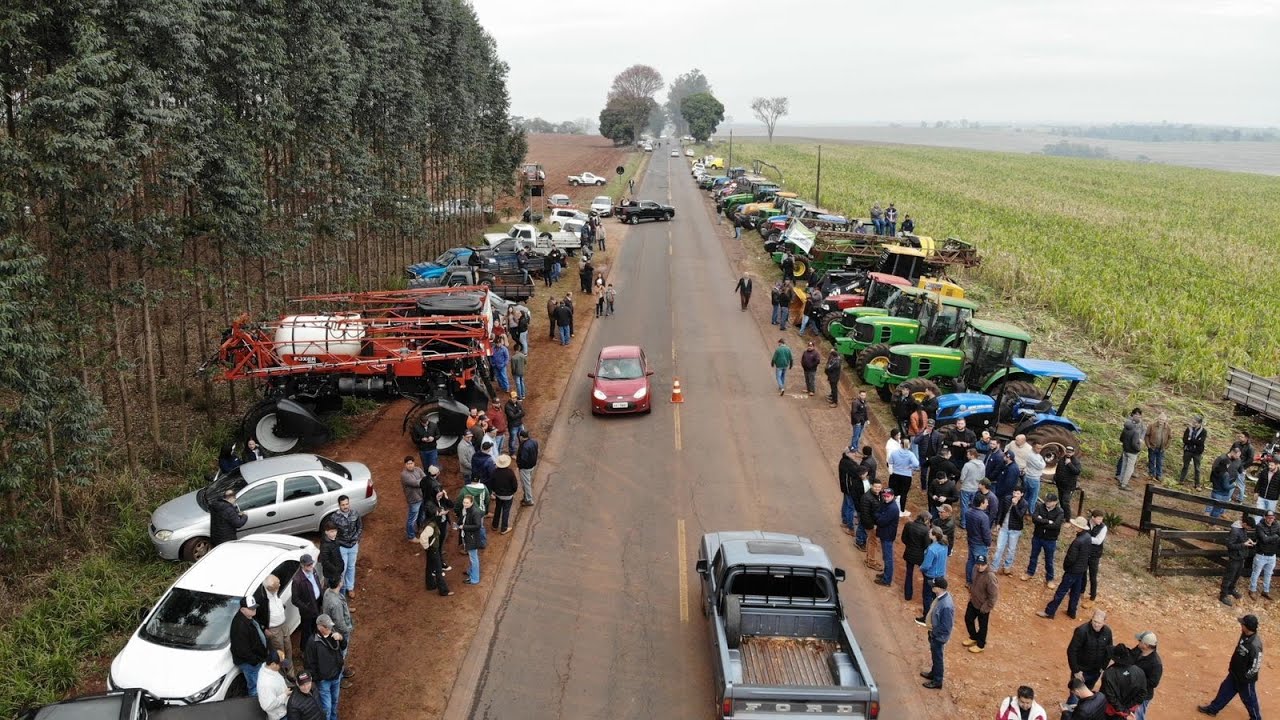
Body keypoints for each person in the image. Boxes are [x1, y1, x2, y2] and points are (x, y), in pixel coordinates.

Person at [1198, 614, 1263, 719]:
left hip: (1245, 680)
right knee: (1224, 690)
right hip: (1234, 674)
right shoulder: (1244, 635)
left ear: (1247, 627)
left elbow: (1256, 665)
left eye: (1243, 624)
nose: (1241, 625)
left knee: (1250, 700)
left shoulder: (1255, 645)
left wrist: (1246, 678)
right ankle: (1213, 709)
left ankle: (1256, 718)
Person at [1037, 516, 1093, 620]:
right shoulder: (1088, 538)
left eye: (1075, 525)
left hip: (1072, 570)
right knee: (1075, 592)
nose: (1073, 526)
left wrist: (1066, 567)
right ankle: (1072, 612)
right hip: (1081, 570)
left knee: (1061, 591)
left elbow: (1071, 558)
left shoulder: (1078, 541)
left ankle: (1050, 612)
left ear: (1079, 527)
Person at [1061, 611, 1114, 708]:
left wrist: (1103, 666)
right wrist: (1076, 670)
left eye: (1099, 622)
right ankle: (1069, 713)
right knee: (1075, 696)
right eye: (1094, 621)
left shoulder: (1107, 632)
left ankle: (1080, 712)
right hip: (1081, 671)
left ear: (1104, 622)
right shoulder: (1082, 631)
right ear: (1091, 619)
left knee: (1087, 695)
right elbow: (1072, 650)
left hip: (1095, 671)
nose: (1096, 624)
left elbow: (1109, 651)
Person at [303, 615, 346, 720]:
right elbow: (309, 664)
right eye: (326, 627)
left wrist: (340, 638)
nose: (329, 629)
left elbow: (343, 646)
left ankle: (334, 718)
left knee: (335, 701)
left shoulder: (333, 634)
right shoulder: (312, 642)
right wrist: (319, 678)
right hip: (324, 681)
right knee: (327, 707)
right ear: (319, 627)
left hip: (336, 676)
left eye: (330, 626)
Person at [230, 595, 269, 697]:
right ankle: (255, 706)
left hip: (256, 659)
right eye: (251, 608)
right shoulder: (240, 626)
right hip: (250, 663)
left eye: (255, 607)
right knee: (254, 687)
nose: (254, 610)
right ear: (242, 609)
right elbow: (242, 650)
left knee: (259, 684)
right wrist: (255, 661)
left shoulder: (249, 617)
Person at [1024, 493, 1065, 584]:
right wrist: (1047, 522)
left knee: (1049, 560)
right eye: (1047, 500)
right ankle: (1030, 572)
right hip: (1037, 537)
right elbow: (1034, 519)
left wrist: (1041, 522)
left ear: (1056, 502)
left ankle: (1050, 579)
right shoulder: (1040, 506)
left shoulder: (1060, 512)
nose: (1047, 503)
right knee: (1033, 556)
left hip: (1050, 539)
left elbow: (1056, 525)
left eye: (1050, 501)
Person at [920, 577, 953, 689]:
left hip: (938, 636)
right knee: (935, 656)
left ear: (938, 588)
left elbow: (946, 626)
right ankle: (933, 674)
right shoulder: (941, 598)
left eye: (933, 586)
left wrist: (934, 633)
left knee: (938, 658)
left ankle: (937, 681)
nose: (932, 587)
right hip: (934, 633)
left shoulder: (946, 605)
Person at [961, 554, 997, 653]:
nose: (980, 567)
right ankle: (973, 637)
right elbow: (973, 583)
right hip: (973, 602)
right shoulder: (975, 569)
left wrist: (986, 607)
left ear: (986, 564)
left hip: (983, 606)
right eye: (978, 564)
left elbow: (993, 596)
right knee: (968, 619)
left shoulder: (990, 577)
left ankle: (981, 645)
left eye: (982, 565)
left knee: (982, 626)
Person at [1100, 643, 1146, 719]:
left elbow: (1109, 696)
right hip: (1128, 712)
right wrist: (1127, 709)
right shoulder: (1139, 671)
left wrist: (1123, 710)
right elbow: (1142, 694)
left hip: (1112, 713)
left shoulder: (1108, 673)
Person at [320, 576, 353, 677]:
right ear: (339, 584)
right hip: (338, 632)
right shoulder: (336, 603)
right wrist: (347, 630)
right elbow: (339, 622)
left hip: (330, 628)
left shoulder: (327, 592)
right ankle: (340, 676)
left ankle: (340, 672)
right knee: (340, 654)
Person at [991, 488, 1029, 576]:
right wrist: (998, 523)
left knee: (1011, 549)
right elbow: (1001, 511)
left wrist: (1015, 505)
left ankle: (1007, 567)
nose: (1015, 494)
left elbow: (1019, 516)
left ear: (1022, 494)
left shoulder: (1024, 504)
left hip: (1015, 530)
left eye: (1018, 493)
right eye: (1014, 492)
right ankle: (994, 567)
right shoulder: (1007, 499)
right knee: (999, 548)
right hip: (1004, 528)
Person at [417, 506, 454, 597]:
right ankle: (443, 590)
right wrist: (427, 547)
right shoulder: (431, 526)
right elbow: (423, 538)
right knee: (438, 569)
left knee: (429, 566)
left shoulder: (427, 522)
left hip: (431, 549)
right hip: (433, 549)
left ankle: (430, 584)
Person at [258, 575, 292, 670]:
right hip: (274, 630)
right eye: (277, 586)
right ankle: (283, 673)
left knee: (288, 648)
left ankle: (290, 671)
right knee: (279, 652)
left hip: (284, 625)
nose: (279, 586)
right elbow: (257, 617)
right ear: (269, 588)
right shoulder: (261, 599)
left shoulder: (275, 592)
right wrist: (264, 628)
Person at [331, 496, 362, 600]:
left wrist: (357, 538)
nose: (345, 506)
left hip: (353, 545)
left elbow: (360, 527)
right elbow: (332, 532)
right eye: (343, 504)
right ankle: (342, 588)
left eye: (346, 504)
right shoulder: (335, 517)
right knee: (342, 569)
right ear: (339, 505)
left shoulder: (355, 513)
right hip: (342, 546)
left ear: (349, 503)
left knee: (351, 567)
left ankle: (350, 587)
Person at [1221, 513, 1255, 606]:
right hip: (1234, 557)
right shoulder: (1235, 531)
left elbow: (1242, 538)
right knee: (1229, 576)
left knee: (1236, 575)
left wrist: (1248, 540)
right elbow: (1230, 545)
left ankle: (1231, 589)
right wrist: (1243, 545)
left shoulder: (1242, 529)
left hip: (1241, 556)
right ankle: (1223, 595)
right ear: (1244, 524)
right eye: (1248, 527)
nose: (1248, 528)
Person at [1248, 509, 1280, 600]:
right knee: (1256, 573)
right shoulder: (1259, 526)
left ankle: (1266, 591)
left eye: (1272, 518)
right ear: (1265, 517)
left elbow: (1267, 539)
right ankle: (1252, 590)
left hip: (1272, 555)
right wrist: (1276, 537)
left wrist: (1269, 538)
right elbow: (1264, 540)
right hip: (1261, 554)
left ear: (1274, 518)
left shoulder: (1277, 525)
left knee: (1269, 574)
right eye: (1269, 517)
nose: (1270, 519)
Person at [291, 554, 323, 645]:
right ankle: (305, 650)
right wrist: (306, 608)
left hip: (316, 604)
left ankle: (314, 645)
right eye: (308, 565)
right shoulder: (297, 580)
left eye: (311, 564)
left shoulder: (314, 571)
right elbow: (295, 599)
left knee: (315, 626)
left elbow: (317, 585)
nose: (311, 566)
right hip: (307, 611)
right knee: (306, 631)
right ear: (302, 565)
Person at [1132, 631, 1163, 720]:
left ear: (1146, 645)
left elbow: (1153, 683)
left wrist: (1137, 680)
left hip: (1142, 697)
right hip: (1132, 691)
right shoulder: (1138, 649)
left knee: (1138, 717)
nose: (1138, 642)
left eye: (1140, 641)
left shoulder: (1156, 664)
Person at [901, 513, 932, 602]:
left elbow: (903, 539)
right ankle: (926, 596)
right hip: (920, 557)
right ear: (926, 519)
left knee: (909, 574)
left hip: (909, 553)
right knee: (926, 576)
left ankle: (908, 595)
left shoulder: (908, 525)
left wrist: (909, 546)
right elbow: (927, 546)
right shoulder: (926, 530)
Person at [919, 528, 949, 619]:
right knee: (935, 596)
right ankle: (935, 615)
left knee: (927, 596)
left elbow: (926, 565)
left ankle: (926, 617)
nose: (928, 532)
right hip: (940, 574)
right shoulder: (945, 545)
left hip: (930, 575)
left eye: (930, 532)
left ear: (934, 535)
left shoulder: (931, 549)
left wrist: (921, 568)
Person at [874, 489, 901, 586]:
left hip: (888, 536)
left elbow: (881, 521)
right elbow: (877, 513)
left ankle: (887, 580)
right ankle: (886, 574)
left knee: (888, 558)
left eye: (888, 496)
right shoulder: (885, 504)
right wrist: (879, 516)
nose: (886, 498)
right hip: (884, 533)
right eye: (884, 496)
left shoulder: (892, 508)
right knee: (885, 557)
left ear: (893, 496)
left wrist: (878, 516)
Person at [1206, 447, 1241, 518]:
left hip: (1228, 483)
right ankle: (1209, 517)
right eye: (1237, 455)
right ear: (1233, 452)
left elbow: (1239, 468)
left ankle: (1220, 514)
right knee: (1216, 505)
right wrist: (1234, 484)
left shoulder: (1236, 460)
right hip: (1221, 485)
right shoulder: (1222, 458)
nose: (1238, 457)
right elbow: (1214, 469)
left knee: (1222, 503)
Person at [964, 495, 992, 585]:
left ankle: (968, 581)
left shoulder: (968, 512)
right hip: (980, 544)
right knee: (980, 565)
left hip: (971, 541)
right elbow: (986, 533)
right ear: (981, 503)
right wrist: (988, 543)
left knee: (971, 561)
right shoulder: (983, 517)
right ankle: (976, 584)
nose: (987, 504)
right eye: (986, 502)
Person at [1083, 509, 1107, 608]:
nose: (1100, 521)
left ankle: (1092, 597)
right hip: (1084, 552)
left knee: (1093, 576)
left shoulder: (1103, 527)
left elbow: (1098, 541)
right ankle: (1080, 592)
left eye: (1101, 519)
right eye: (1098, 519)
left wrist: (1085, 538)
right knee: (1082, 573)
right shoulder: (1086, 523)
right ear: (1093, 518)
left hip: (1095, 555)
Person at [838, 448, 865, 536]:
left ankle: (845, 520)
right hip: (850, 489)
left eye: (855, 453)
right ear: (847, 453)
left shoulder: (846, 461)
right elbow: (857, 473)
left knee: (846, 503)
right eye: (853, 453)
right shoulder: (848, 463)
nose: (855, 455)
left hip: (846, 488)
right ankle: (850, 527)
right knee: (850, 507)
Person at [489, 454, 518, 534]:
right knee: (506, 511)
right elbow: (515, 485)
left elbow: (492, 484)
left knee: (498, 508)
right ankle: (504, 528)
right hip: (508, 496)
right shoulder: (510, 473)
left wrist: (495, 491)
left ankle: (494, 525)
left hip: (498, 495)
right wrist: (512, 492)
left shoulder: (494, 472)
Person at [887, 441, 920, 512]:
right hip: (906, 476)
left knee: (892, 492)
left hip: (895, 475)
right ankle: (901, 510)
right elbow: (916, 464)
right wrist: (910, 466)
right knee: (903, 494)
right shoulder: (910, 454)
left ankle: (890, 507)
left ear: (901, 445)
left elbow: (890, 462)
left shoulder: (894, 453)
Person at [257, 651, 291, 720]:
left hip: (285, 710)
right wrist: (284, 695)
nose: (282, 666)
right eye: (280, 665)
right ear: (272, 664)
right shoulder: (266, 684)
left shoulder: (270, 669)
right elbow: (267, 706)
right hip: (280, 716)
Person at [399, 456, 425, 543]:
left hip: (422, 497)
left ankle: (420, 529)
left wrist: (421, 480)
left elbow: (424, 478)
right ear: (405, 465)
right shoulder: (404, 475)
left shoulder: (418, 469)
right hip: (414, 500)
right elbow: (416, 483)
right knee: (412, 519)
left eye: (411, 463)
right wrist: (421, 480)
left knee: (421, 515)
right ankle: (411, 536)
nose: (410, 465)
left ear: (414, 463)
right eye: (408, 464)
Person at [1117, 408, 1144, 490]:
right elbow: (1134, 444)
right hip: (1132, 452)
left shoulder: (1125, 428)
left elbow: (1121, 439)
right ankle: (1124, 485)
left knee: (1124, 466)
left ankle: (1121, 481)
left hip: (1125, 450)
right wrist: (1139, 448)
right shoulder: (1135, 432)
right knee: (1129, 469)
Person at [459, 494, 484, 584]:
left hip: (472, 538)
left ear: (472, 503)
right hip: (468, 536)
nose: (465, 504)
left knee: (473, 557)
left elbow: (477, 526)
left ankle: (475, 579)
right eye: (464, 502)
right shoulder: (467, 510)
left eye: (467, 503)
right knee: (472, 556)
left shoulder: (475, 512)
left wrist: (464, 527)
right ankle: (471, 571)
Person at [857, 479, 885, 555]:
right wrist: (871, 525)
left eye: (879, 487)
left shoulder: (880, 494)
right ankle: (859, 542)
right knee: (862, 529)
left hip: (873, 519)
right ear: (871, 486)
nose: (877, 488)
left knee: (864, 531)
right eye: (875, 487)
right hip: (868, 520)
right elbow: (865, 514)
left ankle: (862, 541)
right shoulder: (866, 497)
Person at [1180, 415, 1208, 488]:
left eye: (1195, 422)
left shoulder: (1203, 431)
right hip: (1188, 450)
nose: (1194, 424)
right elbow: (1185, 440)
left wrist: (1191, 440)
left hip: (1197, 452)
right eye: (1193, 422)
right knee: (1185, 466)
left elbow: (1201, 442)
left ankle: (1197, 484)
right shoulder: (1189, 429)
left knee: (1197, 468)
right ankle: (1181, 480)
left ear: (1199, 423)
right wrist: (1194, 441)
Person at [958, 447, 984, 530]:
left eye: (968, 454)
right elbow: (983, 476)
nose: (967, 456)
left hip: (966, 488)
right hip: (976, 488)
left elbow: (962, 477)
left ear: (972, 455)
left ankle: (964, 523)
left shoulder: (967, 465)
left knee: (964, 506)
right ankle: (971, 522)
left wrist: (962, 482)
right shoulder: (982, 465)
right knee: (973, 506)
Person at [1145, 412, 1171, 481]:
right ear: (1158, 418)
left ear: (1165, 420)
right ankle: (1151, 474)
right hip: (1152, 447)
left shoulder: (1167, 427)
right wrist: (1148, 445)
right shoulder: (1152, 425)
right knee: (1151, 461)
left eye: (1162, 420)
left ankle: (1158, 475)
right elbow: (1147, 435)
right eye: (1160, 419)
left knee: (1160, 462)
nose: (1161, 421)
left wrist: (1166, 446)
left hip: (1161, 448)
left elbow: (1170, 437)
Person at [515, 429, 539, 506]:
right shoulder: (534, 441)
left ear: (521, 437)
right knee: (527, 481)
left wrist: (520, 466)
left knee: (526, 484)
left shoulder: (524, 446)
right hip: (532, 465)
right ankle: (526, 497)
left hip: (525, 468)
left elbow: (523, 459)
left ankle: (529, 500)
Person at [1055, 445, 1082, 511]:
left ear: (1073, 453)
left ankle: (1067, 517)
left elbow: (1077, 471)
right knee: (1061, 501)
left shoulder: (1076, 462)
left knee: (1065, 502)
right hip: (1060, 485)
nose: (1068, 453)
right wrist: (1055, 479)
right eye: (1067, 452)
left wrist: (1069, 464)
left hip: (1069, 486)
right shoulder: (1061, 459)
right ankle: (1062, 516)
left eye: (1070, 452)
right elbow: (1058, 470)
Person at [1231, 432, 1256, 503]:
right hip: (1233, 465)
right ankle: (1230, 496)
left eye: (1242, 437)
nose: (1240, 438)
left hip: (1241, 468)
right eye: (1240, 436)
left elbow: (1250, 460)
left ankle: (1240, 498)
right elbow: (1231, 452)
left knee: (1240, 483)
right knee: (1231, 481)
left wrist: (1242, 467)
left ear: (1246, 438)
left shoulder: (1250, 448)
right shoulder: (1236, 444)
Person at [1022, 442, 1046, 508]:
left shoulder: (1037, 455)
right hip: (1033, 478)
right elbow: (1041, 466)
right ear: (1033, 447)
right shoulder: (1031, 455)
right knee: (1033, 498)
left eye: (1041, 448)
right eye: (1037, 448)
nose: (1039, 450)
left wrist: (1042, 462)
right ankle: (1030, 513)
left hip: (1032, 476)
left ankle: (1025, 510)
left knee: (1027, 496)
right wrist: (1042, 462)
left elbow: (1042, 463)